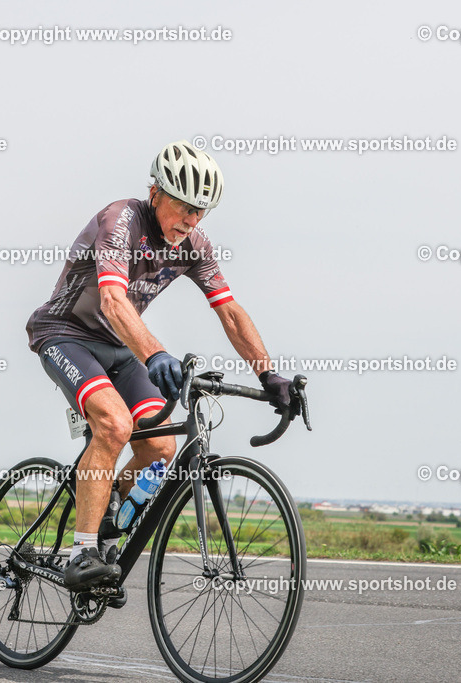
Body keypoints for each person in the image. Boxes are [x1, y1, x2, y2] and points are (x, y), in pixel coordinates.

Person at [25, 140, 299, 597]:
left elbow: (229, 312)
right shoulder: (122, 220)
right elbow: (112, 301)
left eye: (201, 212)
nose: (191, 220)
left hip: (120, 345)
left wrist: (268, 375)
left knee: (160, 450)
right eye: (184, 207)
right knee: (114, 425)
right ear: (156, 193)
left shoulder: (194, 244)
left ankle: (104, 499)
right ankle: (82, 553)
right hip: (66, 335)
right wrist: (155, 354)